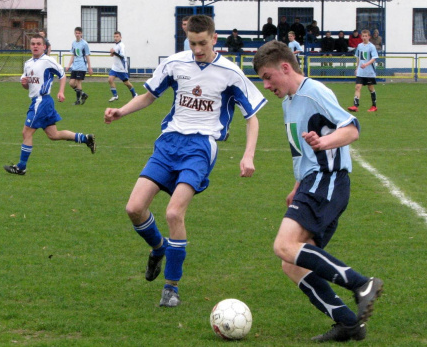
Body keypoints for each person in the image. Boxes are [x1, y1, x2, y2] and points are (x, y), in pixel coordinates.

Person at [104, 15, 266, 308]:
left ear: (214, 39)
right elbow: (148, 96)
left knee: (173, 213)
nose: (198, 49)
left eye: (203, 43)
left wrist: (248, 154)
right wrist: (121, 112)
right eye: (192, 43)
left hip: (200, 147)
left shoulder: (230, 73)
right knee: (134, 208)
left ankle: (171, 287)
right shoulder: (175, 63)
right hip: (168, 143)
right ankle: (158, 248)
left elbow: (252, 118)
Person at [252, 40, 383, 342]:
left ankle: (361, 284)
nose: (266, 85)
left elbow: (352, 128)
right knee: (291, 263)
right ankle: (349, 323)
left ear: (285, 67)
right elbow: (300, 153)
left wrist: (324, 143)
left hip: (329, 179)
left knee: (284, 246)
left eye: (268, 77)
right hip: (311, 182)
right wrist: (297, 185)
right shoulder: (289, 102)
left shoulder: (315, 92)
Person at [4, 35, 95, 175]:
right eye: (33, 43)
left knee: (26, 132)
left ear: (44, 47)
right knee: (53, 135)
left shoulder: (47, 61)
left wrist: (61, 92)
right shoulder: (28, 63)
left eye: (38, 44)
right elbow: (27, 85)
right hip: (39, 102)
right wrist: (24, 84)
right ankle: (85, 138)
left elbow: (62, 75)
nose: (35, 46)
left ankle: (21, 167)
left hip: (42, 101)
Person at [348, 29, 379, 113]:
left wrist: (366, 64)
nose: (364, 37)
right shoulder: (359, 46)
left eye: (366, 36)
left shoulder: (371, 46)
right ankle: (355, 106)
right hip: (361, 72)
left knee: (370, 88)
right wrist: (357, 68)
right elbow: (358, 58)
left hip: (369, 72)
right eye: (363, 36)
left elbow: (374, 58)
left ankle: (374, 106)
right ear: (361, 37)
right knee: (357, 87)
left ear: (369, 37)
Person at [107, 31, 138, 102]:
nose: (115, 38)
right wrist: (112, 54)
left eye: (117, 36)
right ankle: (115, 96)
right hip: (115, 67)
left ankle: (134, 94)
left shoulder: (122, 45)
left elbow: (121, 56)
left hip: (121, 68)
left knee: (126, 83)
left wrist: (114, 52)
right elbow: (115, 54)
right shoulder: (116, 45)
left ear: (120, 37)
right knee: (110, 79)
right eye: (114, 37)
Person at [66, 27, 92, 106]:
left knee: (78, 82)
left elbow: (87, 56)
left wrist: (89, 67)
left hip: (82, 66)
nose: (77, 34)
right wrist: (69, 65)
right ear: (74, 33)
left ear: (81, 34)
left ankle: (78, 101)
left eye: (79, 33)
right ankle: (83, 94)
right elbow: (73, 55)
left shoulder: (84, 44)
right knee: (71, 83)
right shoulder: (73, 43)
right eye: (76, 33)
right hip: (75, 66)